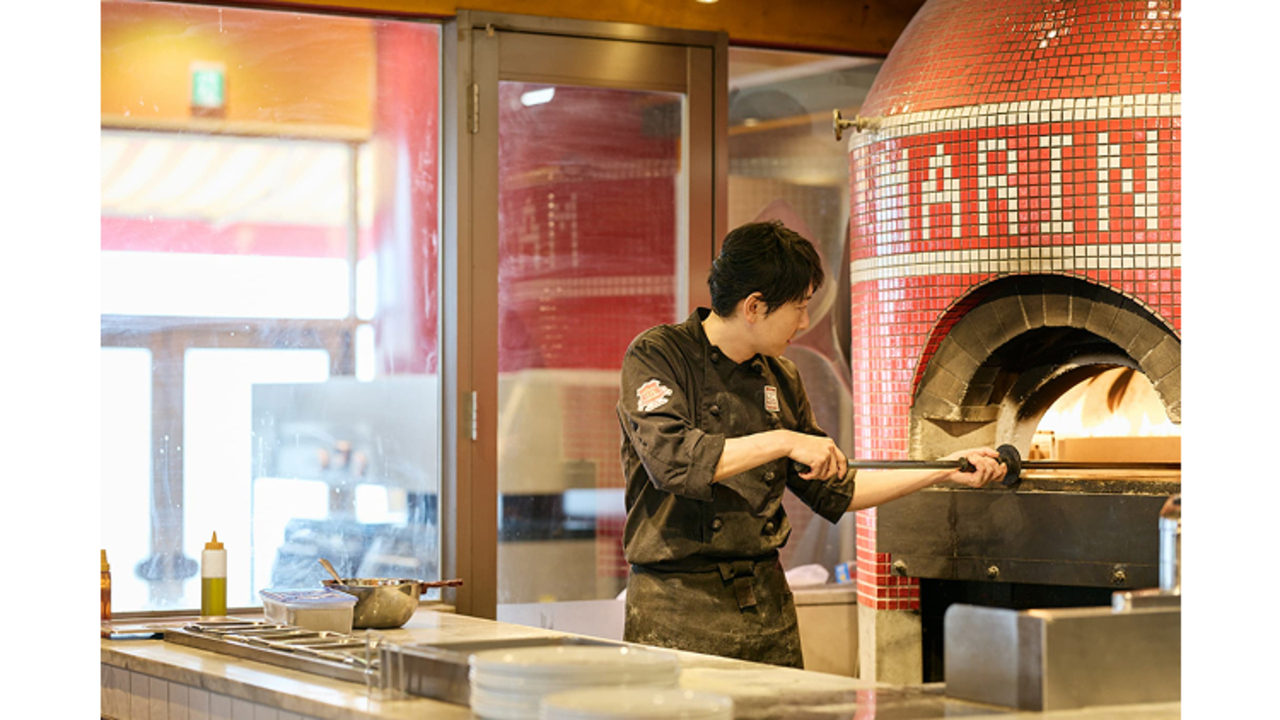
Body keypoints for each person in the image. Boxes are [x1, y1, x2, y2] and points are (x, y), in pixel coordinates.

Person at [615, 220, 1006, 668]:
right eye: (799, 308)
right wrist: (784, 441)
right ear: (754, 307)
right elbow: (674, 461)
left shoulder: (781, 377)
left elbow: (838, 490)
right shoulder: (659, 354)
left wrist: (945, 467)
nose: (804, 322)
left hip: (765, 606)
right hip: (675, 609)